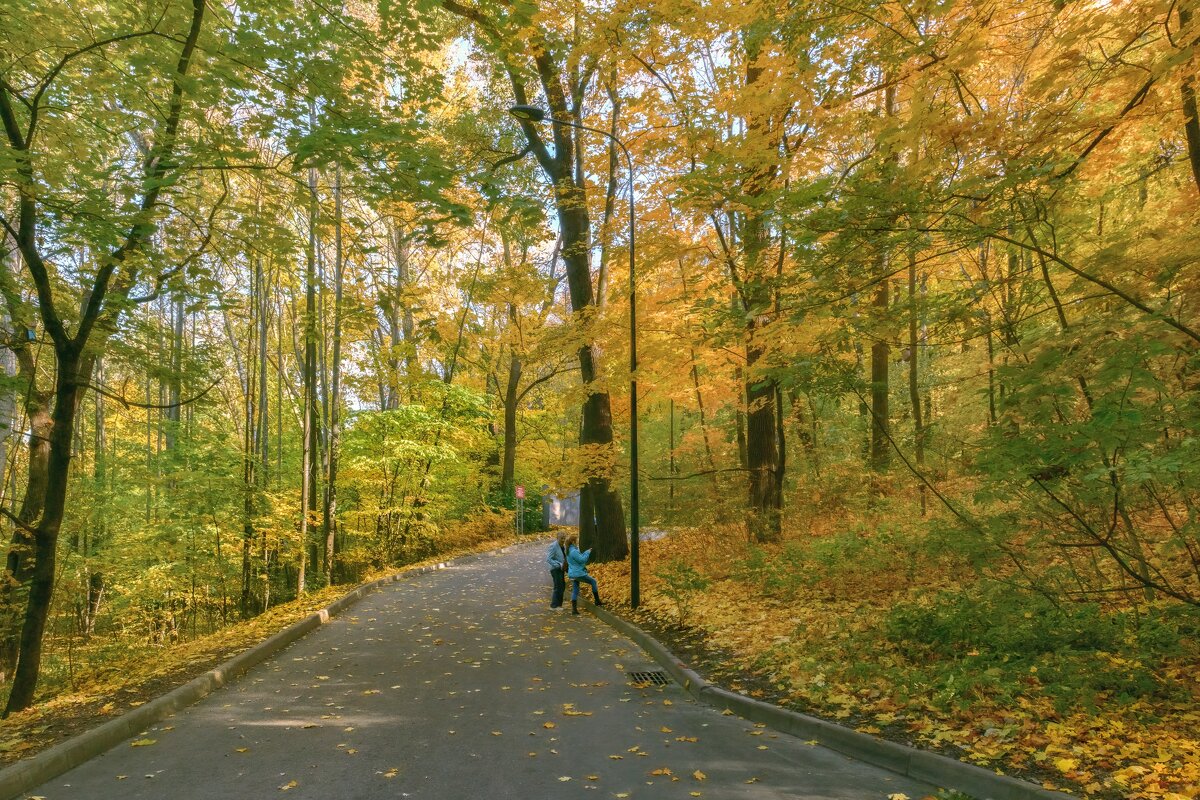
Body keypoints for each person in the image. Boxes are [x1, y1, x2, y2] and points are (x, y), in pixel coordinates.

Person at [565, 532, 602, 615]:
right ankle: (597, 601)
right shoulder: (573, 551)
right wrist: (587, 552)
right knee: (593, 581)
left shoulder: (569, 550)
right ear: (574, 541)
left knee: (575, 589)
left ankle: (574, 609)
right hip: (578, 573)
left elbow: (577, 559)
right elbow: (582, 560)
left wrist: (584, 552)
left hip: (573, 573)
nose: (578, 541)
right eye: (577, 540)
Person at [546, 531, 567, 609]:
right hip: (555, 569)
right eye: (561, 538)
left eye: (564, 538)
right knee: (558, 587)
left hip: (561, 569)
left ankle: (559, 605)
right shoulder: (553, 546)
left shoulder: (563, 546)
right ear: (557, 538)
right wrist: (558, 564)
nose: (563, 540)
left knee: (562, 586)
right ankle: (554, 606)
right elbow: (548, 559)